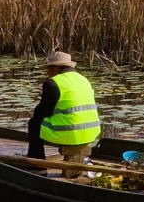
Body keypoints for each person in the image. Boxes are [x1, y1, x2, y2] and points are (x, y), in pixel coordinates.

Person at [27, 50, 101, 178]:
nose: (47, 73)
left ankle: (38, 167)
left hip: (72, 133)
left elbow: (42, 112)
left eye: (49, 69)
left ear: (56, 68)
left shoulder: (53, 83)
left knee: (34, 123)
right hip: (91, 132)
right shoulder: (83, 79)